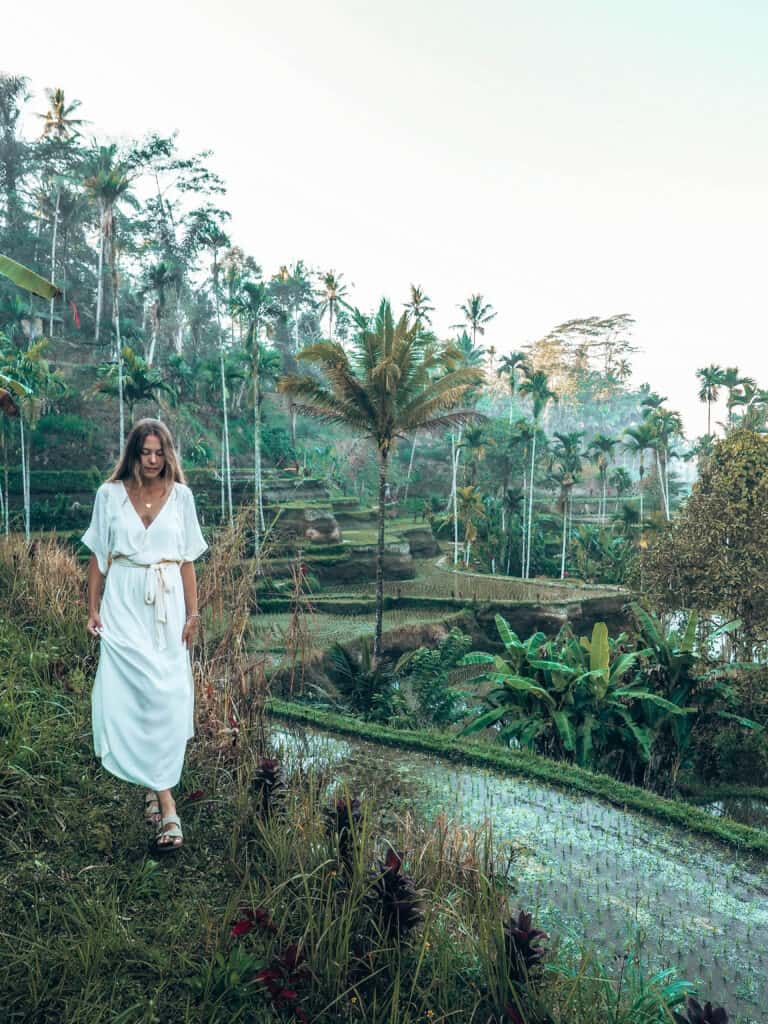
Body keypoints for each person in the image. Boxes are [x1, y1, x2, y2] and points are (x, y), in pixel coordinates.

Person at [82, 419, 207, 852]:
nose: (152, 461)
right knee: (134, 693)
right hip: (125, 601)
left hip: (168, 604)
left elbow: (188, 559)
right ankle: (167, 805)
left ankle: (155, 787)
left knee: (170, 696)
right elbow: (99, 557)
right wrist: (92, 608)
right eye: (144, 453)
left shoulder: (183, 497)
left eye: (159, 453)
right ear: (133, 454)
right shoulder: (109, 495)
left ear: (168, 454)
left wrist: (193, 613)